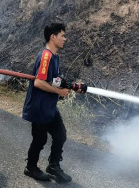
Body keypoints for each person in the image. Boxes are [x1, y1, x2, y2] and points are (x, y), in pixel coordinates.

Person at [22, 23, 83, 183]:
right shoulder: (46, 56)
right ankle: (31, 168)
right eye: (62, 35)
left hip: (49, 106)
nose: (65, 38)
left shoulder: (54, 56)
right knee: (40, 139)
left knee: (60, 135)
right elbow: (39, 82)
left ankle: (53, 166)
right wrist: (60, 92)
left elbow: (53, 79)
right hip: (39, 107)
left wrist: (69, 85)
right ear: (53, 37)